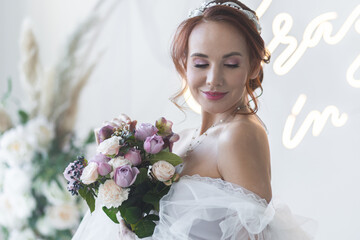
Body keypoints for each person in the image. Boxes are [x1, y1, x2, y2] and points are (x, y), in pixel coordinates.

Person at [73, 1, 317, 239]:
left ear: (253, 66)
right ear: (184, 64)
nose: (213, 78)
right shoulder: (185, 138)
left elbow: (255, 235)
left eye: (231, 64)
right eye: (201, 63)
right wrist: (117, 156)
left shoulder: (239, 134)